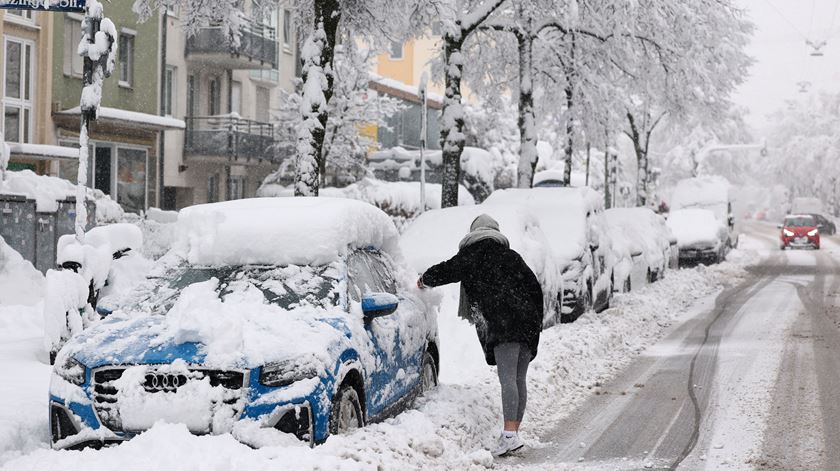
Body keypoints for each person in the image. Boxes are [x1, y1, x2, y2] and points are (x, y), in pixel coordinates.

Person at [417, 214, 544, 457]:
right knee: (518, 378)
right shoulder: (512, 256)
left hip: (504, 321)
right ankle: (512, 433)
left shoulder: (474, 254)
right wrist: (536, 321)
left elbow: (448, 270)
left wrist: (423, 280)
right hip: (527, 321)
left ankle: (509, 435)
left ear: (474, 232)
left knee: (507, 378)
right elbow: (534, 287)